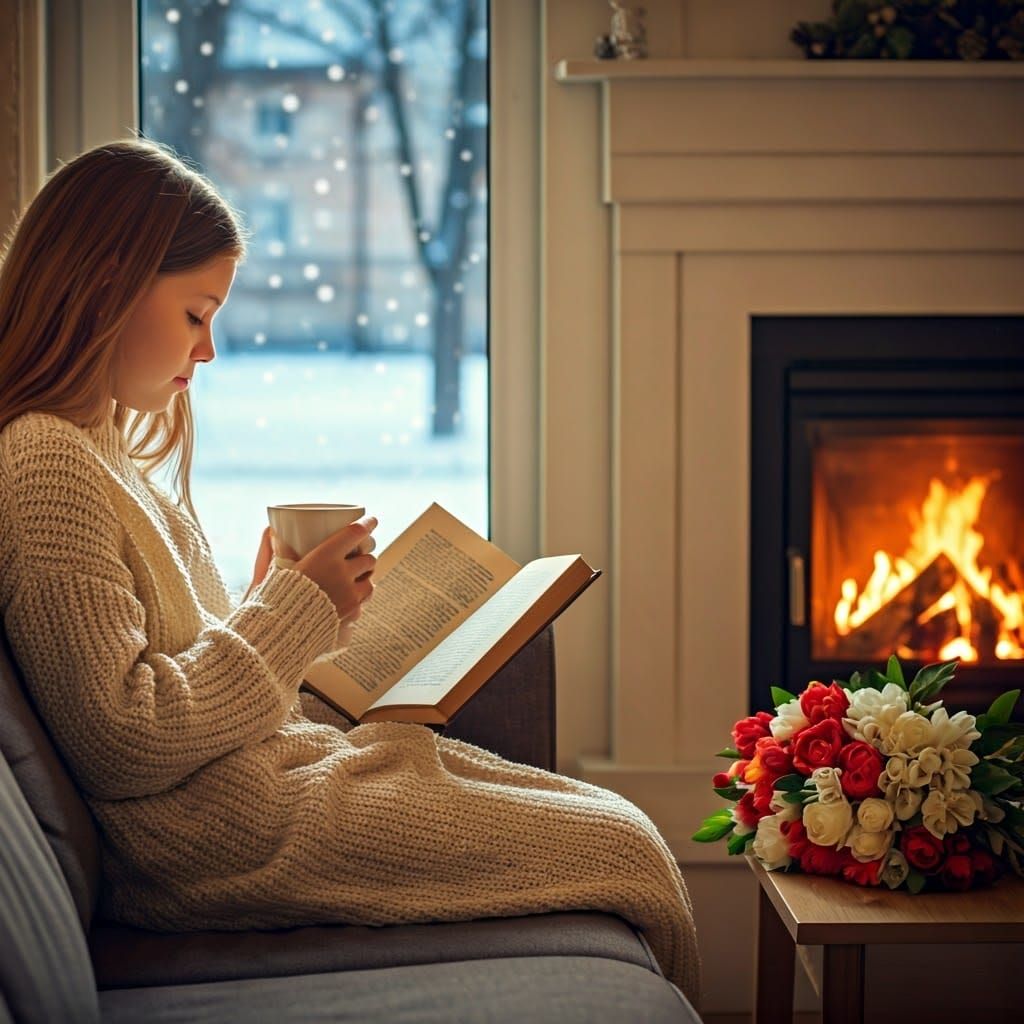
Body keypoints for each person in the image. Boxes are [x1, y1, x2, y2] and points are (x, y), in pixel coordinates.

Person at [0, 138, 699, 1002]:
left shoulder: (98, 449)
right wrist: (291, 612)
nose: (208, 350)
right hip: (225, 841)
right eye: (196, 313)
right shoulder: (43, 467)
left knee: (623, 826)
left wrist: (266, 608)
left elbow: (160, 671)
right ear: (108, 282)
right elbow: (123, 737)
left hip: (272, 783)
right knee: (622, 849)